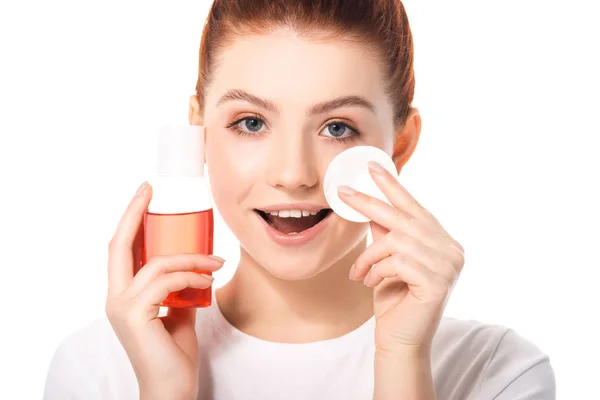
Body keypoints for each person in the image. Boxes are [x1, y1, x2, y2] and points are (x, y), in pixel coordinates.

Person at [43, 0, 556, 399]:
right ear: (199, 130)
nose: (293, 174)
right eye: (251, 123)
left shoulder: (497, 373)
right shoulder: (98, 370)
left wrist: (403, 361)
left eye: (337, 127)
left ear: (399, 145)